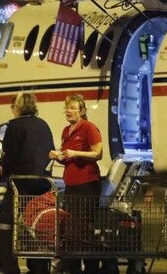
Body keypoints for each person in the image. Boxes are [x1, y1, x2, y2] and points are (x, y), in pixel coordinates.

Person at [48, 94, 117, 274]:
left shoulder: (89, 128)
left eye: (73, 108)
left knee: (84, 227)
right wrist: (59, 156)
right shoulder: (66, 131)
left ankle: (92, 266)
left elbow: (98, 153)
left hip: (87, 183)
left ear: (82, 111)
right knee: (73, 228)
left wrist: (76, 153)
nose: (69, 111)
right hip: (71, 184)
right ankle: (75, 266)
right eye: (67, 108)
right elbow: (68, 157)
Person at [0, 93, 55, 274]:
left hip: (20, 184)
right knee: (35, 224)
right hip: (43, 184)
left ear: (17, 107)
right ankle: (38, 267)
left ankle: (10, 268)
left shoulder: (14, 126)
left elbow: (10, 155)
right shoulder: (44, 125)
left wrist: (2, 170)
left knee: (5, 224)